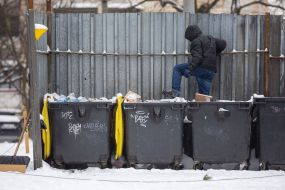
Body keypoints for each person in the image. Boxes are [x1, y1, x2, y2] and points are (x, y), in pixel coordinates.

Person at [162, 25, 227, 98]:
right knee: (204, 97)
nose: (190, 41)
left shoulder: (196, 41)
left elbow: (197, 57)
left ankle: (175, 93)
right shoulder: (211, 39)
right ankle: (205, 108)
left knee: (177, 69)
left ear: (191, 35)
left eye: (189, 38)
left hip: (201, 68)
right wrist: (215, 53)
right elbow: (223, 44)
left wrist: (189, 69)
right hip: (210, 72)